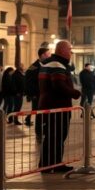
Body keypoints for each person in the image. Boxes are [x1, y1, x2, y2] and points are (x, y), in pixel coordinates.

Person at [38, 40, 81, 174]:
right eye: (69, 49)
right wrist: (75, 93)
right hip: (56, 105)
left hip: (50, 104)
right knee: (56, 135)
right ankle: (52, 164)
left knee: (53, 135)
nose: (71, 52)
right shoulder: (57, 64)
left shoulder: (49, 62)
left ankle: (50, 164)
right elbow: (59, 85)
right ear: (62, 50)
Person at [25, 47, 51, 138]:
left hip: (46, 95)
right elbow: (28, 82)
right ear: (43, 55)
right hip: (37, 95)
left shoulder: (47, 65)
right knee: (39, 114)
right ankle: (39, 133)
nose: (50, 55)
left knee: (46, 114)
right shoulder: (33, 67)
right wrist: (32, 94)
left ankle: (45, 130)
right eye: (48, 53)